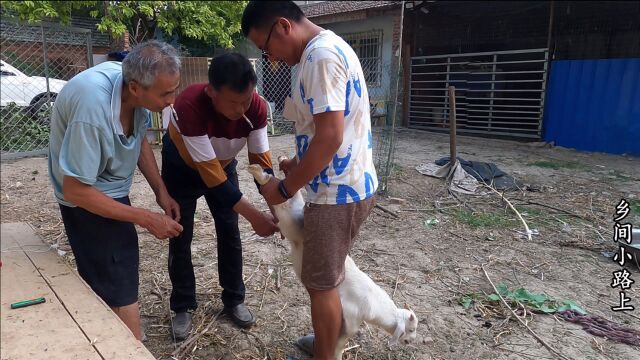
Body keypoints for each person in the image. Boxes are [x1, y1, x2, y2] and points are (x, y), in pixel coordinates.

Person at [242, 2, 378, 358]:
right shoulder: (319, 53)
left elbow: (331, 137)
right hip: (339, 185)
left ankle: (325, 353)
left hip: (338, 193)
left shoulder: (320, 58)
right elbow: (327, 131)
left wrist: (286, 188)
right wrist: (299, 163)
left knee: (321, 285)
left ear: (283, 26)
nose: (269, 57)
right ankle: (325, 342)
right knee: (325, 278)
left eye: (265, 47)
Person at [48, 40, 184, 340]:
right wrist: (146, 218)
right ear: (136, 88)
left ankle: (117, 331)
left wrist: (161, 191)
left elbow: (139, 139)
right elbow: (75, 190)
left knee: (110, 272)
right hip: (85, 192)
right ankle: (128, 344)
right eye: (166, 93)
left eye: (175, 89)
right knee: (119, 273)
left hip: (107, 182)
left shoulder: (133, 91)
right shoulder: (92, 112)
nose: (172, 100)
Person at [161, 52, 279, 340]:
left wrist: (277, 210)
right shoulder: (190, 104)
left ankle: (234, 299)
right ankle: (182, 305)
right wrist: (255, 217)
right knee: (180, 234)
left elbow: (261, 165)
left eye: (246, 100)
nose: (241, 109)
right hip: (183, 168)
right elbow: (211, 177)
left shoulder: (257, 108)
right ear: (211, 91)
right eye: (233, 102)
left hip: (223, 166)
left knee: (229, 231)